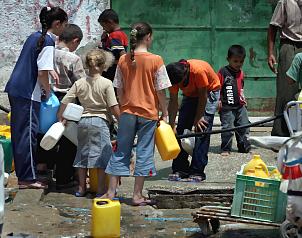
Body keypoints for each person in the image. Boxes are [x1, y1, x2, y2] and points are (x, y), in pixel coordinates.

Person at [102, 22, 171, 206]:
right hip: (148, 113)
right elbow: (160, 91)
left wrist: (125, 106)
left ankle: (110, 192)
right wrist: (164, 113)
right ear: (148, 37)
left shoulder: (123, 59)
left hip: (127, 112)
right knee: (144, 152)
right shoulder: (156, 60)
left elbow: (119, 89)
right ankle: (137, 195)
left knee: (120, 150)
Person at [4, 7, 68, 189]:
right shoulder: (48, 41)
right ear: (57, 24)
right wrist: (47, 91)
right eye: (64, 24)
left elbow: (36, 63)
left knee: (20, 133)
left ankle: (27, 175)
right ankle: (27, 178)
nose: (64, 28)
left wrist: (50, 70)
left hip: (16, 89)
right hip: (27, 93)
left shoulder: (35, 36)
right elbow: (41, 73)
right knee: (27, 135)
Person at [57, 49, 120, 197]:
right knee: (103, 157)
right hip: (100, 122)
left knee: (82, 154)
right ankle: (100, 190)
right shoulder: (106, 83)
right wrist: (122, 121)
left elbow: (66, 100)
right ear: (105, 65)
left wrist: (60, 117)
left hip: (83, 122)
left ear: (87, 64)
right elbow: (113, 105)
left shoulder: (79, 83)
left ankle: (81, 188)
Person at [36, 24, 86, 189]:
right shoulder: (74, 58)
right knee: (67, 139)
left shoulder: (48, 51)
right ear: (75, 40)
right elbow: (80, 83)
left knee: (45, 133)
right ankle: (64, 177)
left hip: (46, 97)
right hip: (67, 100)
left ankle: (42, 169)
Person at [166, 59, 220, 181]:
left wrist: (199, 118)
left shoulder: (198, 72)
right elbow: (173, 101)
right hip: (191, 94)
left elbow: (203, 96)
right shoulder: (172, 77)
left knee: (201, 130)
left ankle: (197, 171)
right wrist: (171, 124)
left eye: (180, 84)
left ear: (185, 75)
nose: (177, 87)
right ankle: (180, 168)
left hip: (209, 91)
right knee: (181, 130)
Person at [267, 0, 302, 136]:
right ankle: (282, 133)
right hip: (289, 46)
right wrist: (271, 53)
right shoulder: (285, 2)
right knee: (286, 91)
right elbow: (273, 27)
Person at [218, 45, 251, 156]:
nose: (238, 64)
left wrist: (243, 98)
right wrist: (218, 100)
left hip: (240, 106)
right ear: (228, 59)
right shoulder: (223, 72)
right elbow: (217, 87)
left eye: (241, 61)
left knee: (244, 126)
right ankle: (226, 148)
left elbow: (241, 87)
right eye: (235, 61)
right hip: (227, 107)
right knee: (228, 128)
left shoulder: (241, 73)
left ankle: (243, 146)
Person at [98, 9, 128, 81]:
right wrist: (104, 40)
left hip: (113, 73)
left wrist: (106, 61)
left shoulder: (115, 35)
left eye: (103, 26)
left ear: (110, 22)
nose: (103, 28)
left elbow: (122, 55)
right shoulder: (120, 34)